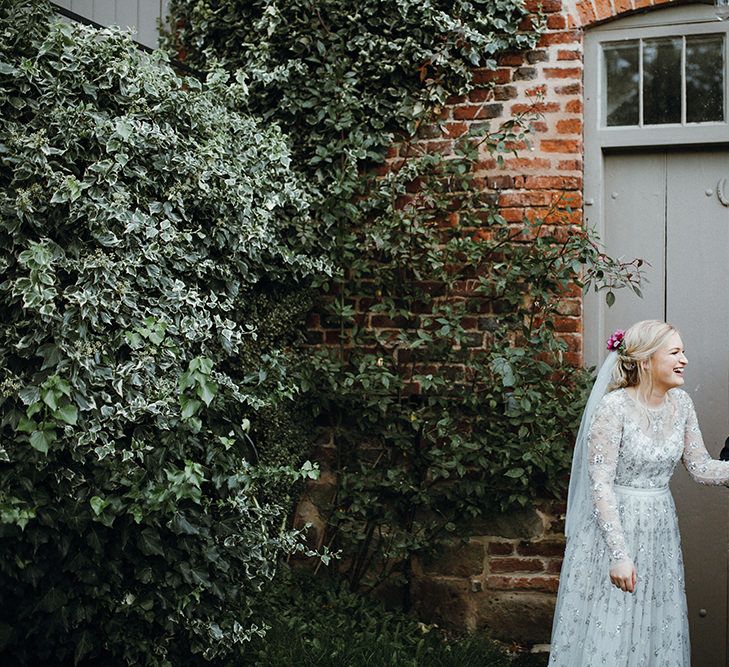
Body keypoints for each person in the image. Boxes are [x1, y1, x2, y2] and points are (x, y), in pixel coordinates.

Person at [548, 320, 729, 666]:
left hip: (659, 531)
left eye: (683, 351)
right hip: (613, 532)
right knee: (611, 622)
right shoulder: (613, 408)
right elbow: (599, 485)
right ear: (646, 361)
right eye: (675, 352)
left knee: (654, 624)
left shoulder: (683, 404)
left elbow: (700, 467)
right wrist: (619, 554)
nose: (685, 360)